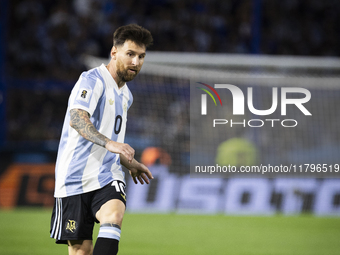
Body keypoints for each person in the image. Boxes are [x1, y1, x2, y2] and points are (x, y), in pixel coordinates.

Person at [50, 24, 154, 255]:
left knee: (114, 215)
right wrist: (110, 143)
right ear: (114, 52)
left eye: (141, 56)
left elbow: (113, 140)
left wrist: (127, 161)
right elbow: (76, 119)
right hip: (74, 177)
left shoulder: (126, 95)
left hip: (108, 174)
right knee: (81, 251)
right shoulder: (91, 80)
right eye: (130, 54)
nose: (136, 62)